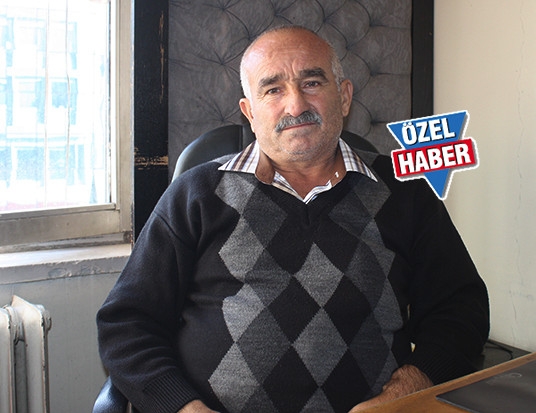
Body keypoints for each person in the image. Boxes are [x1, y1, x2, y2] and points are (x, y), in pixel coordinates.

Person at [97, 26, 489, 413]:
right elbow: (128, 323)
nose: (296, 105)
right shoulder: (195, 194)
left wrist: (406, 391)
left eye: (312, 83)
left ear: (344, 96)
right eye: (273, 90)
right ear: (250, 112)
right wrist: (183, 409)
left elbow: (461, 310)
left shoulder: (405, 193)